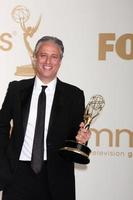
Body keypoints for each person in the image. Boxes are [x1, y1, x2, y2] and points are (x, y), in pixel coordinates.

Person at [0, 36, 91, 200]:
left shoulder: (74, 95)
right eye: (43, 55)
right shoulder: (16, 89)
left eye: (54, 56)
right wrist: (3, 161)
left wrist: (81, 140)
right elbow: (1, 125)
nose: (48, 61)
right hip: (17, 176)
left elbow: (75, 137)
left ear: (60, 61)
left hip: (56, 178)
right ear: (35, 58)